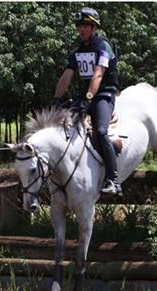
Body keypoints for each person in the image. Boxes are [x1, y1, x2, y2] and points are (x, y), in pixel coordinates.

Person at [51, 7, 122, 195]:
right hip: (85, 97)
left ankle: (113, 179)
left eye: (84, 26)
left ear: (93, 27)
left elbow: (98, 76)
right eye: (79, 26)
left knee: (100, 131)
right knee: (61, 127)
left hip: (103, 96)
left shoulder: (103, 47)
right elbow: (66, 76)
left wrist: (88, 100)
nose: (80, 29)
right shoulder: (77, 51)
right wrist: (57, 99)